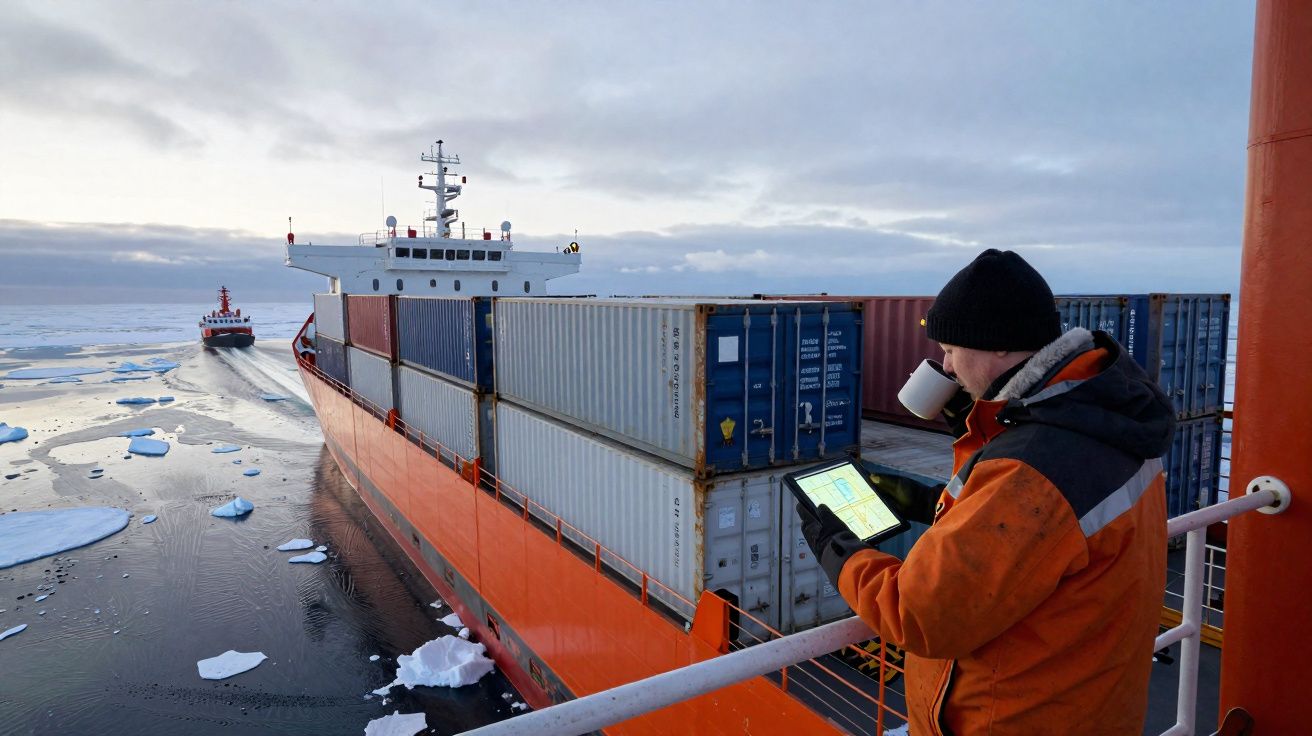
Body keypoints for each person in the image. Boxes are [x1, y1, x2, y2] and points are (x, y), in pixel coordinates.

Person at [798, 249, 1175, 735]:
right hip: (1089, 702)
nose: (947, 368)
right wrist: (924, 496)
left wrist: (840, 554)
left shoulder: (1036, 464)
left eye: (952, 351)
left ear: (997, 346)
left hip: (1016, 719)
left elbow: (920, 615)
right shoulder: (1107, 417)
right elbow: (1039, 534)